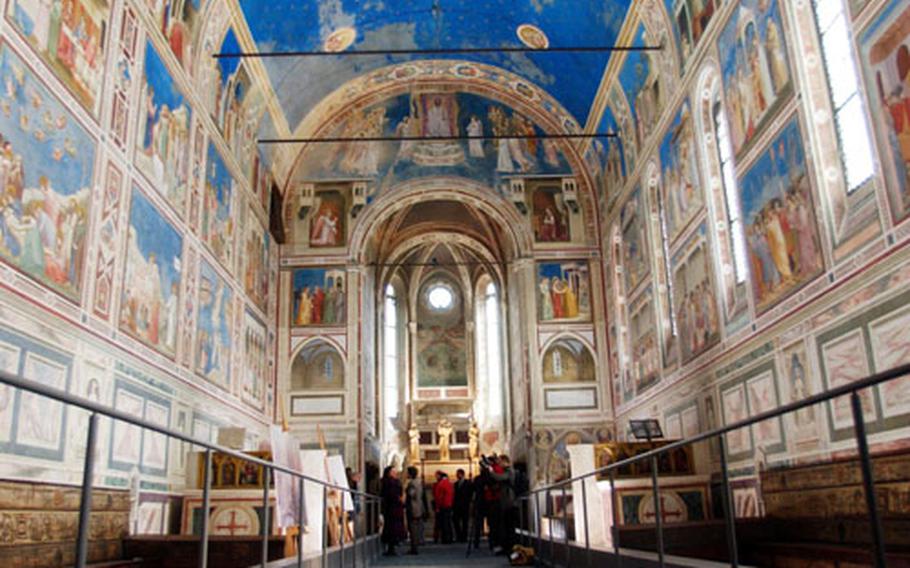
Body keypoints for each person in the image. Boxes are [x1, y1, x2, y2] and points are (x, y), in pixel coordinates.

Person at [380, 466, 405, 556]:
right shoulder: (389, 482)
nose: (395, 473)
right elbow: (391, 494)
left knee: (393, 527)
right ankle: (392, 546)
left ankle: (392, 546)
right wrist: (399, 498)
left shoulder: (392, 482)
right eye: (393, 471)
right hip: (392, 507)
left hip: (395, 508)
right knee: (392, 528)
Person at [405, 467, 425, 555]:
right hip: (418, 507)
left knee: (413, 528)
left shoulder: (412, 483)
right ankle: (415, 545)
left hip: (413, 508)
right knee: (416, 527)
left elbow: (411, 494)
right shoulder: (419, 482)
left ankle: (414, 547)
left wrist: (406, 488)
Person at [433, 471, 454, 544]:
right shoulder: (449, 483)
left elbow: (438, 496)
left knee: (443, 523)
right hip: (449, 505)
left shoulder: (441, 484)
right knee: (448, 523)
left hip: (443, 505)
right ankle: (449, 538)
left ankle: (445, 538)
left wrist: (437, 507)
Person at [453, 468, 471, 543]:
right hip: (457, 505)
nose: (457, 475)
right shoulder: (455, 484)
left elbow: (470, 493)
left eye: (458, 474)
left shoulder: (468, 483)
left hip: (465, 505)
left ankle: (464, 537)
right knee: (456, 520)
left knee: (465, 522)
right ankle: (459, 535)